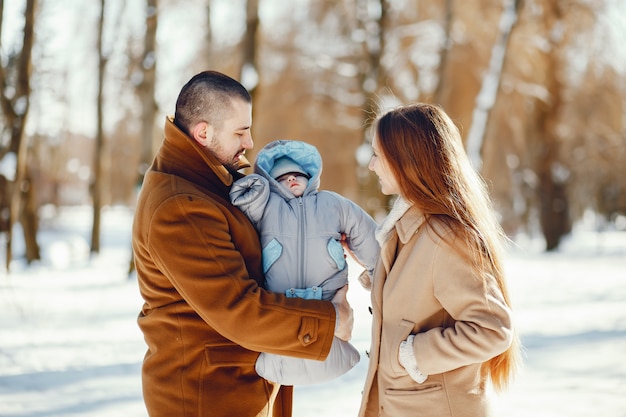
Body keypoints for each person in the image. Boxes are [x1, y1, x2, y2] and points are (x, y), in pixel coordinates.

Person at [132, 70, 354, 417]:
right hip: (207, 394)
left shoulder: (212, 183)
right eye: (240, 131)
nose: (250, 142)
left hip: (238, 386)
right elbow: (238, 309)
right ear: (203, 132)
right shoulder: (181, 206)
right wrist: (328, 321)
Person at [358, 103, 520, 417]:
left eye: (378, 154)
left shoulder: (447, 236)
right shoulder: (409, 229)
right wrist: (378, 274)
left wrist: (412, 354)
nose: (371, 165)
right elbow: (421, 294)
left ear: (405, 159)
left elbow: (492, 329)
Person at [229, 139, 379, 385]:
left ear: (312, 176)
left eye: (298, 174)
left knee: (328, 345)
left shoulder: (332, 204)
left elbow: (365, 233)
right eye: (281, 177)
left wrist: (378, 271)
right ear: (270, 183)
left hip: (328, 304)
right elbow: (240, 212)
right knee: (281, 346)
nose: (291, 179)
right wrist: (252, 192)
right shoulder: (265, 206)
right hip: (280, 308)